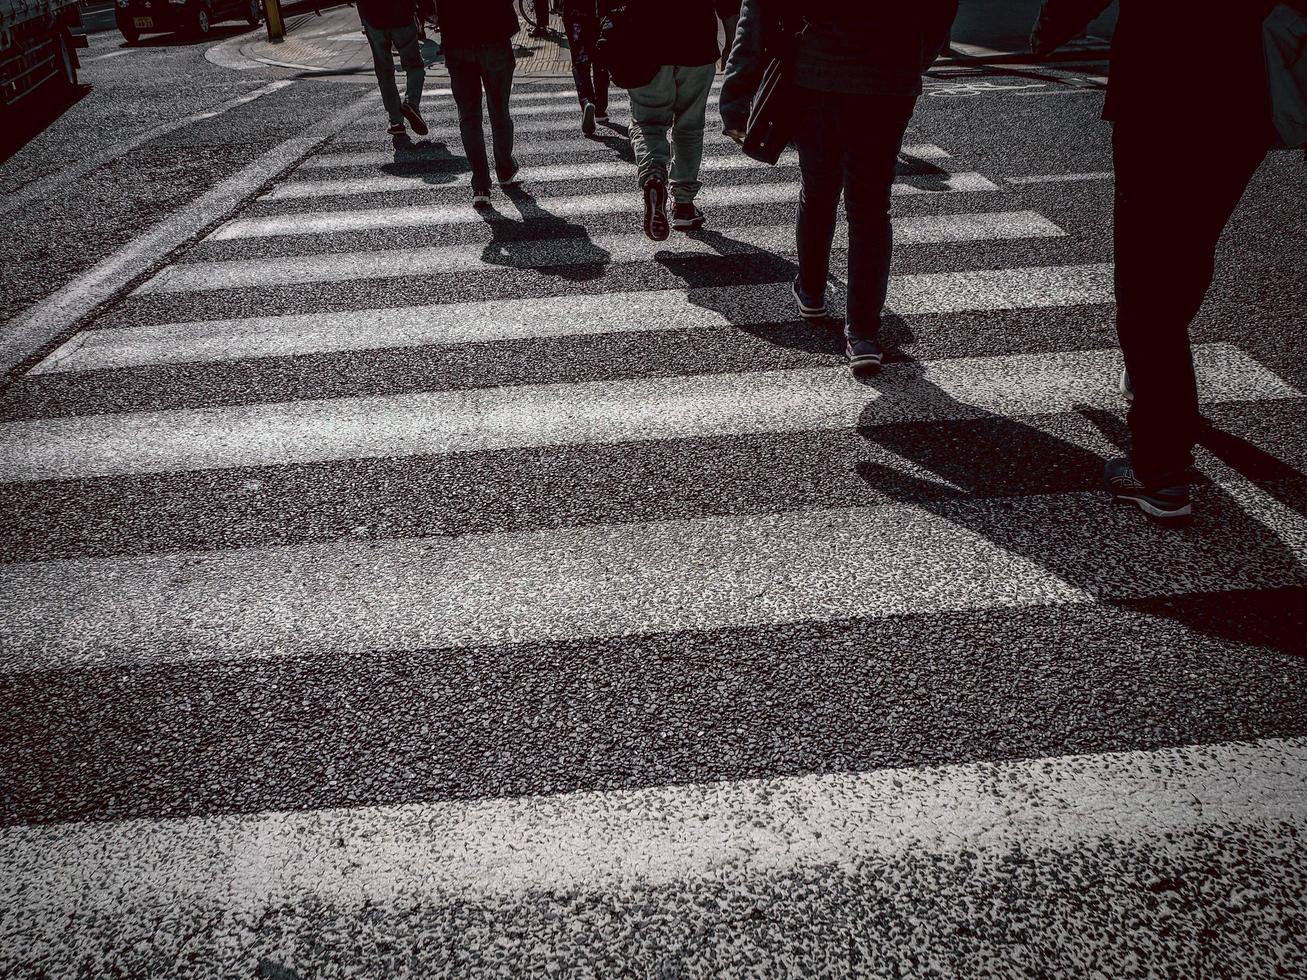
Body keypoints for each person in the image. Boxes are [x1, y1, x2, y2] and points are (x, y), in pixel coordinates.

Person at [1031, 0, 1287, 520]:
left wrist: (1050, 30)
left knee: (1147, 279)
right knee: (1188, 251)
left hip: (1160, 93)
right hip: (1243, 95)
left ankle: (1159, 468)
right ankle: (1166, 404)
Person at [721, 0, 956, 372]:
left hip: (818, 72)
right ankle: (862, 333)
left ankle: (812, 291)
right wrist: (914, 58)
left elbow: (759, 14)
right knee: (871, 209)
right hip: (889, 78)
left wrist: (735, 96)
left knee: (818, 189)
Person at [626, 0, 741, 241]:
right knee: (689, 126)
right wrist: (731, 41)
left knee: (648, 124)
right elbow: (728, 5)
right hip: (696, 43)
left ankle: (653, 175)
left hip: (645, 44)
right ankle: (684, 205)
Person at [435, 0, 522, 208]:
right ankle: (504, 167)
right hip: (494, 33)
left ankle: (481, 184)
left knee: (469, 117)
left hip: (457, 38)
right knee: (499, 109)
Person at [357, 0, 428, 136]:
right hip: (401, 15)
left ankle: (396, 121)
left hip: (373, 18)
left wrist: (363, 19)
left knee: (384, 71)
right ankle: (411, 102)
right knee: (414, 65)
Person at [564, 0, 610, 135]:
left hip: (575, 14)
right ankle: (601, 108)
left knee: (580, 63)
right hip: (599, 14)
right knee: (600, 61)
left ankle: (587, 102)